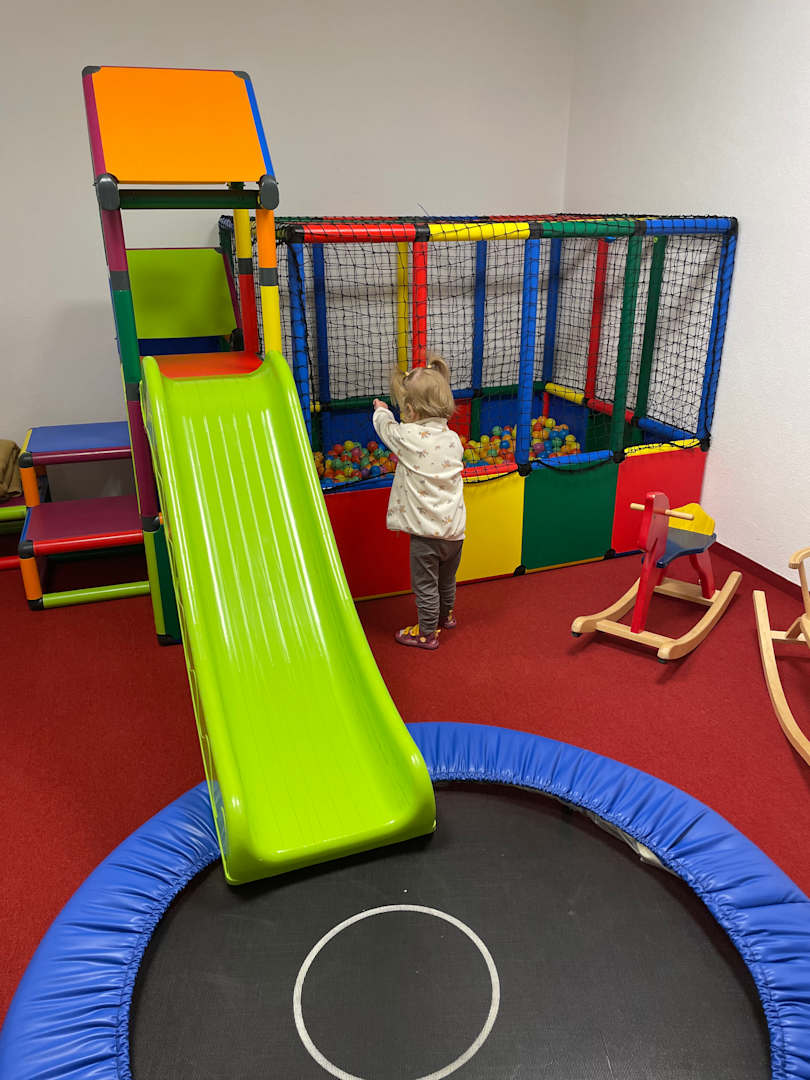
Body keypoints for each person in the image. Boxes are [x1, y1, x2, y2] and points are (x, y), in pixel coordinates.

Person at [372, 355, 465, 651]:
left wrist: (381, 411)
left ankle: (426, 633)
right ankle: (446, 616)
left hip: (426, 536)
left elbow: (386, 429)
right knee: (446, 580)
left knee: (425, 585)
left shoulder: (409, 436)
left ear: (410, 410)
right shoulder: (453, 439)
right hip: (455, 533)